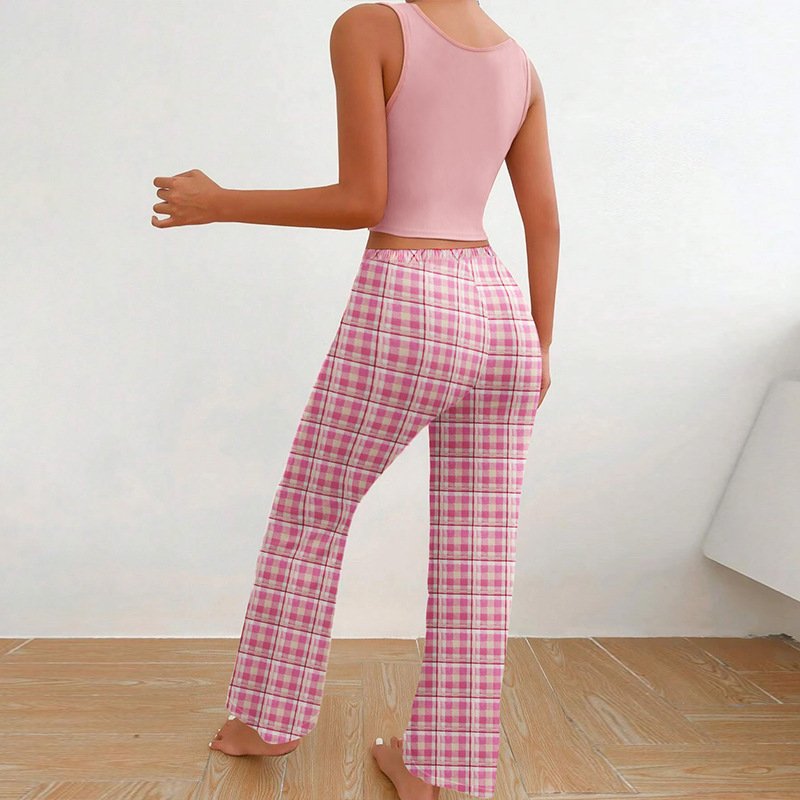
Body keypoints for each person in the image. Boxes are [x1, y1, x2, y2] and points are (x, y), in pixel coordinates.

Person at [151, 1, 558, 797]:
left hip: (410, 298)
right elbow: (542, 220)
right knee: (479, 555)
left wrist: (220, 201)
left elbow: (362, 202)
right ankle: (439, 770)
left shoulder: (370, 26)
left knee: (313, 509)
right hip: (505, 313)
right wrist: (542, 346)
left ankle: (267, 720)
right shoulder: (519, 64)